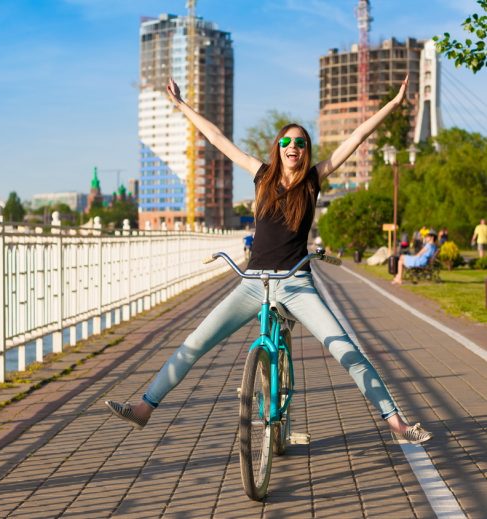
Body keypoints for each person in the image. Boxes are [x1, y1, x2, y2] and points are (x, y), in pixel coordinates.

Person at [105, 75, 432, 445]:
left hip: (296, 282)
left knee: (345, 350)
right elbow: (217, 139)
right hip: (253, 282)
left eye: (301, 142)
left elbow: (355, 138)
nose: (293, 146)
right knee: (194, 343)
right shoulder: (261, 176)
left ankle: (397, 423)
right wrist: (181, 105)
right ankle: (145, 408)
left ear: (306, 151)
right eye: (287, 141)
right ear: (278, 148)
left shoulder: (312, 180)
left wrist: (392, 104)